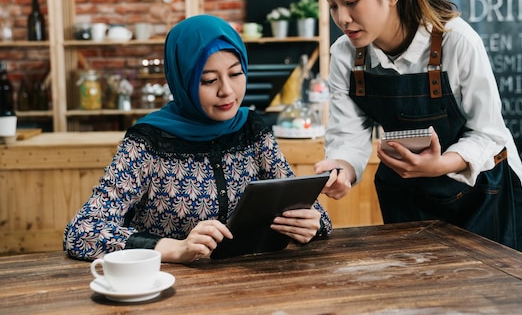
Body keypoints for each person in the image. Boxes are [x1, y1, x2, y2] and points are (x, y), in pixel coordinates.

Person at [314, 0, 522, 250]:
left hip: (484, 195)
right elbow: (348, 137)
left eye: (351, 1)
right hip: (409, 196)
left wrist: (440, 164)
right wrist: (341, 169)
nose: (341, 18)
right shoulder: (345, 55)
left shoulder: (457, 41)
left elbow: (489, 134)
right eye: (332, 5)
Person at [64, 15, 332, 263]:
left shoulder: (251, 129)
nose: (227, 91)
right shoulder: (148, 141)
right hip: (166, 289)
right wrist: (174, 248)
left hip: (252, 284)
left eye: (236, 74)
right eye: (208, 80)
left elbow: (316, 213)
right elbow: (81, 232)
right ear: (183, 82)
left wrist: (312, 224)